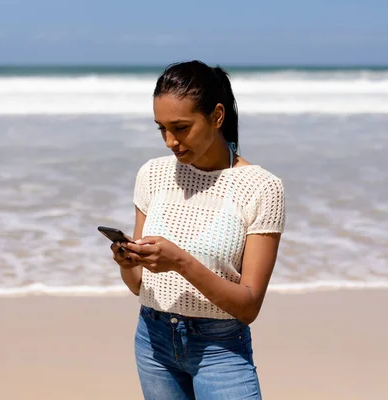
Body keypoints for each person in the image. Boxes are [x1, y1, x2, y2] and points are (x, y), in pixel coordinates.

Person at [110, 60, 285, 399]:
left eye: (180, 127)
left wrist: (180, 262)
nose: (170, 141)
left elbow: (248, 307)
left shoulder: (262, 188)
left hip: (221, 350)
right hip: (152, 340)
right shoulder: (152, 175)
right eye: (161, 128)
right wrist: (127, 263)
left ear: (217, 116)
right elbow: (139, 286)